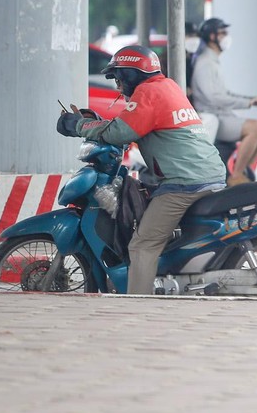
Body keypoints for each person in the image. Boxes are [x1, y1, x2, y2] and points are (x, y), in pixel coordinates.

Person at [57, 45, 225, 296]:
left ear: (131, 74)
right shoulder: (167, 86)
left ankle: (137, 303)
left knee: (142, 244)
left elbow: (121, 133)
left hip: (184, 182)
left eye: (118, 77)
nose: (117, 85)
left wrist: (79, 125)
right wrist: (93, 121)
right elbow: (129, 124)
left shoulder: (148, 92)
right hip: (207, 175)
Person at [190, 18, 257, 186]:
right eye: (223, 33)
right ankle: (237, 175)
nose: (227, 37)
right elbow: (214, 97)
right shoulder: (206, 63)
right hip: (214, 117)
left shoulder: (213, 62)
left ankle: (244, 170)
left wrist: (250, 100)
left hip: (222, 114)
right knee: (256, 128)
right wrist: (247, 103)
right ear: (212, 36)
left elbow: (223, 93)